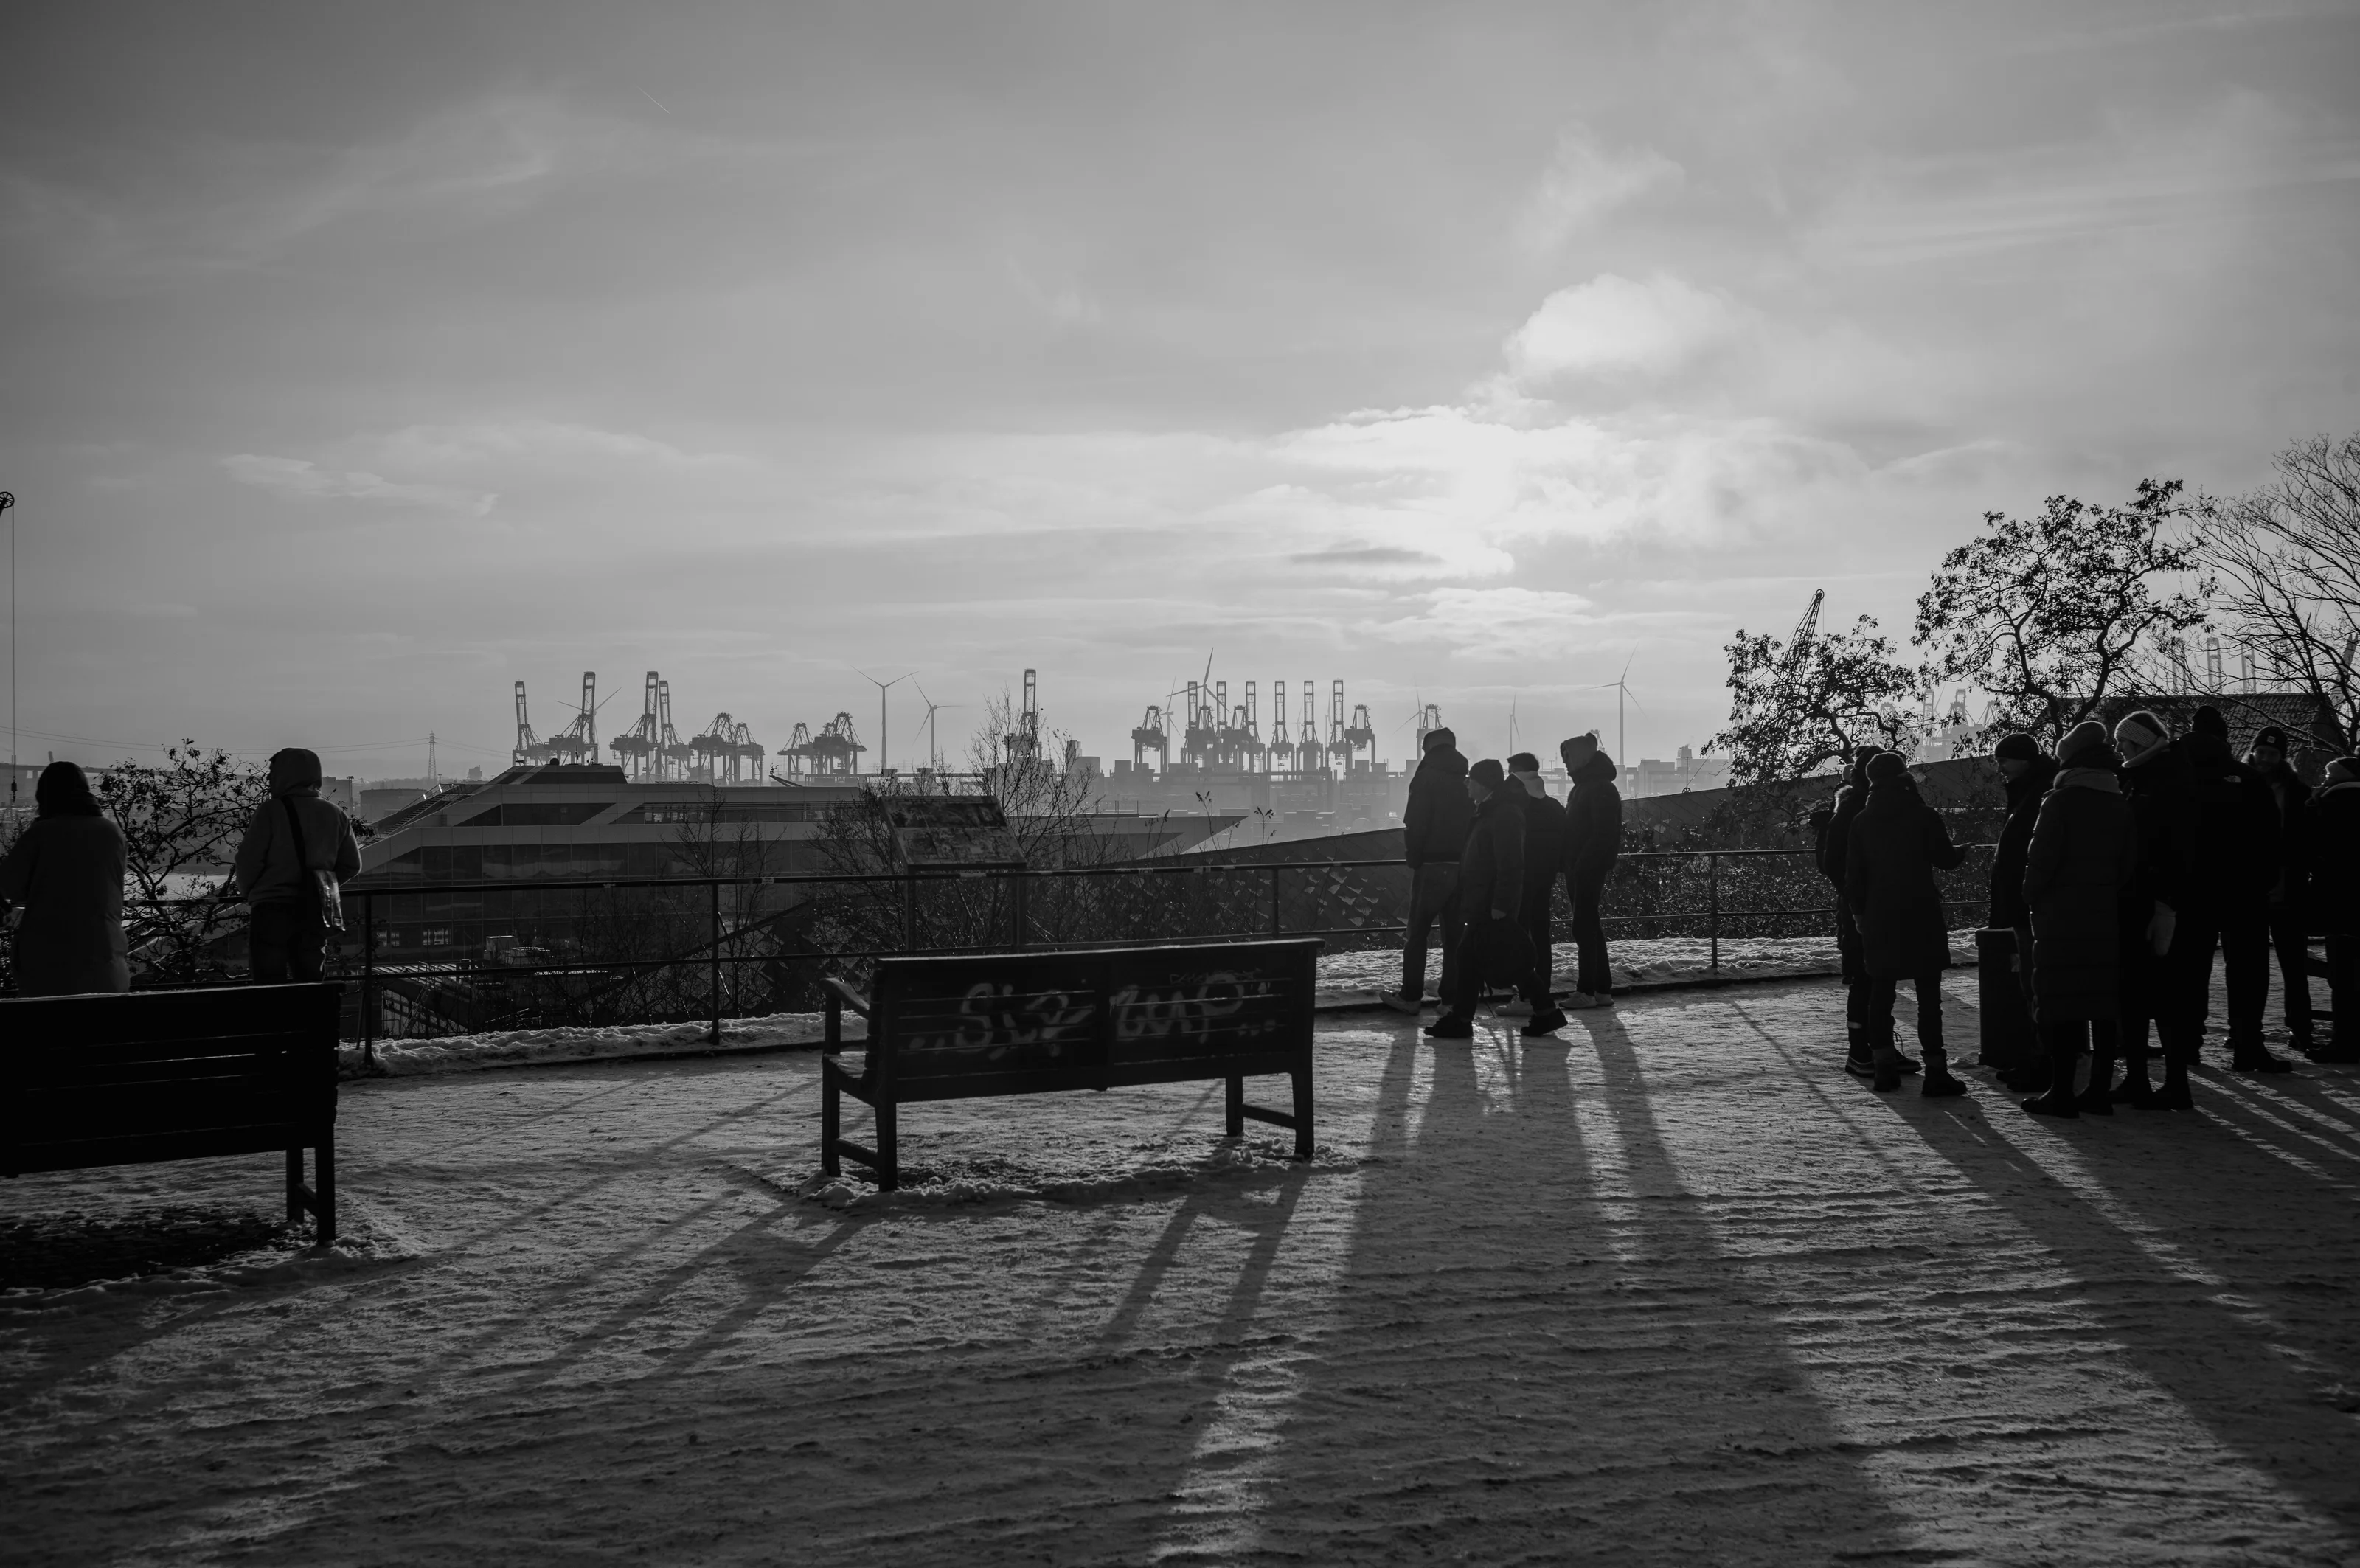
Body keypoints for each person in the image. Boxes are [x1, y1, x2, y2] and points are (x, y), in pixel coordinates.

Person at [2018, 721, 2137, 1117]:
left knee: (2061, 1002)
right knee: (2102, 1004)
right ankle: (2099, 1091)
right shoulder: (2119, 801)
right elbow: (2125, 866)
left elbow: (2041, 862)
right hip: (2105, 914)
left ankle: (2062, 1091)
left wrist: (2030, 897)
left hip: (2060, 918)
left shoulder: (2060, 801)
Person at [1842, 752, 1968, 1094]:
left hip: (1880, 916)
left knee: (1880, 995)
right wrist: (1962, 851)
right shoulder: (1923, 815)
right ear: (1904, 777)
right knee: (1929, 998)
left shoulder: (1862, 821)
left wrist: (1859, 915)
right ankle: (1936, 1073)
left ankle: (1884, 1069)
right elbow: (1944, 859)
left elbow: (1854, 877)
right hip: (1920, 913)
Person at [2178, 705, 2291, 1072]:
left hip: (2191, 888)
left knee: (2191, 967)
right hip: (2244, 890)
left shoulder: (2177, 774)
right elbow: (2273, 836)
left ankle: (2187, 1043)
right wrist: (2265, 879)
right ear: (2225, 738)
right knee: (2248, 970)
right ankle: (2247, 1045)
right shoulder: (2247, 778)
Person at [2111, 710, 2204, 1108]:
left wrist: (2166, 902)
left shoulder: (2164, 780)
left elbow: (2178, 845)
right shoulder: (2144, 776)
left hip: (2154, 900)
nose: (2119, 749)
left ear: (2140, 743)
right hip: (2142, 897)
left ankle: (2169, 1082)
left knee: (2158, 994)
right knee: (2142, 993)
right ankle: (2148, 1079)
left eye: (2124, 743)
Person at [0, 760, 131, 996]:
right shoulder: (112, 833)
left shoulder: (41, 835)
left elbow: (9, 886)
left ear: (45, 796)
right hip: (108, 966)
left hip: (50, 968)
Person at [232, 747, 361, 984]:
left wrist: (251, 893)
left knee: (268, 984)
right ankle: (309, 1022)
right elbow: (351, 865)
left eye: (273, 772)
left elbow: (248, 860)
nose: (269, 778)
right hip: (314, 910)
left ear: (287, 775)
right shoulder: (335, 814)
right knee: (311, 980)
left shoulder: (271, 810)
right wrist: (320, 885)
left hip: (271, 909)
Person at [1817, 752, 1902, 1077]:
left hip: (1861, 904)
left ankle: (1875, 1049)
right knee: (1868, 980)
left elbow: (1831, 864)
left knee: (1874, 979)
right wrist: (1857, 895)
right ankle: (1862, 1051)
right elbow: (1835, 864)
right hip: (1861, 906)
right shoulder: (1859, 810)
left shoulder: (1855, 808)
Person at [1426, 757, 1523, 1040]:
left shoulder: (1501, 813)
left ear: (1482, 783)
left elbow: (1510, 863)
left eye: (1471, 780)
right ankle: (1462, 1018)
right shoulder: (1491, 810)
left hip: (1489, 902)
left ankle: (1463, 1019)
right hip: (1483, 899)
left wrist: (1500, 904)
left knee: (1478, 958)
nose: (1466, 784)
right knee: (1472, 958)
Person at [1985, 732, 2058, 1089]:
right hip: (2025, 903)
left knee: (2036, 981)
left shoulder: (2039, 794)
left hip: (2030, 904)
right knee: (2033, 980)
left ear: (2024, 760)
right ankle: (2039, 1054)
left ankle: (2042, 1058)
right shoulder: (2032, 789)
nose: (1999, 766)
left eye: (2004, 759)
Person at [1385, 727, 1473, 1014]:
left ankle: (1411, 996)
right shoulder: (1465, 778)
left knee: (1418, 933)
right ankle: (1451, 999)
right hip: (1461, 864)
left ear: (1429, 748)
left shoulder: (1426, 777)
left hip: (1432, 865)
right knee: (1454, 936)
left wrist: (1414, 856)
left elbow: (1415, 820)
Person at [2246, 726, 2316, 1055]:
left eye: (2271, 754)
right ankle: (2248, 1030)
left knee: (2293, 965)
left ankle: (2301, 1028)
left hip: (2289, 890)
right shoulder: (2241, 786)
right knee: (2250, 968)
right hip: (2252, 890)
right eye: (2261, 752)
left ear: (2281, 757)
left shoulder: (2297, 792)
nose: (2264, 758)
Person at [1504, 752, 1569, 1035]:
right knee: (1541, 936)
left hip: (1520, 878)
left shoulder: (1515, 806)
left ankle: (1526, 995)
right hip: (1544, 878)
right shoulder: (1553, 806)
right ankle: (1540, 989)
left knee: (1516, 937)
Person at [1558, 732, 1621, 1009]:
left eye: (1568, 758)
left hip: (1586, 868)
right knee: (1589, 927)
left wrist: (1580, 863)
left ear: (1581, 759)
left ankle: (1587, 990)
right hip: (1580, 867)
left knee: (1584, 927)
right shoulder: (1587, 787)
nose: (1566, 765)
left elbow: (1601, 834)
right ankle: (1601, 989)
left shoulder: (1597, 789)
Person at [2305, 757, 2360, 1064]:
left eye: (2328, 775)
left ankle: (2345, 1041)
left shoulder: (2328, 805)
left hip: (2338, 902)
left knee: (2342, 975)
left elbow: (2310, 847)